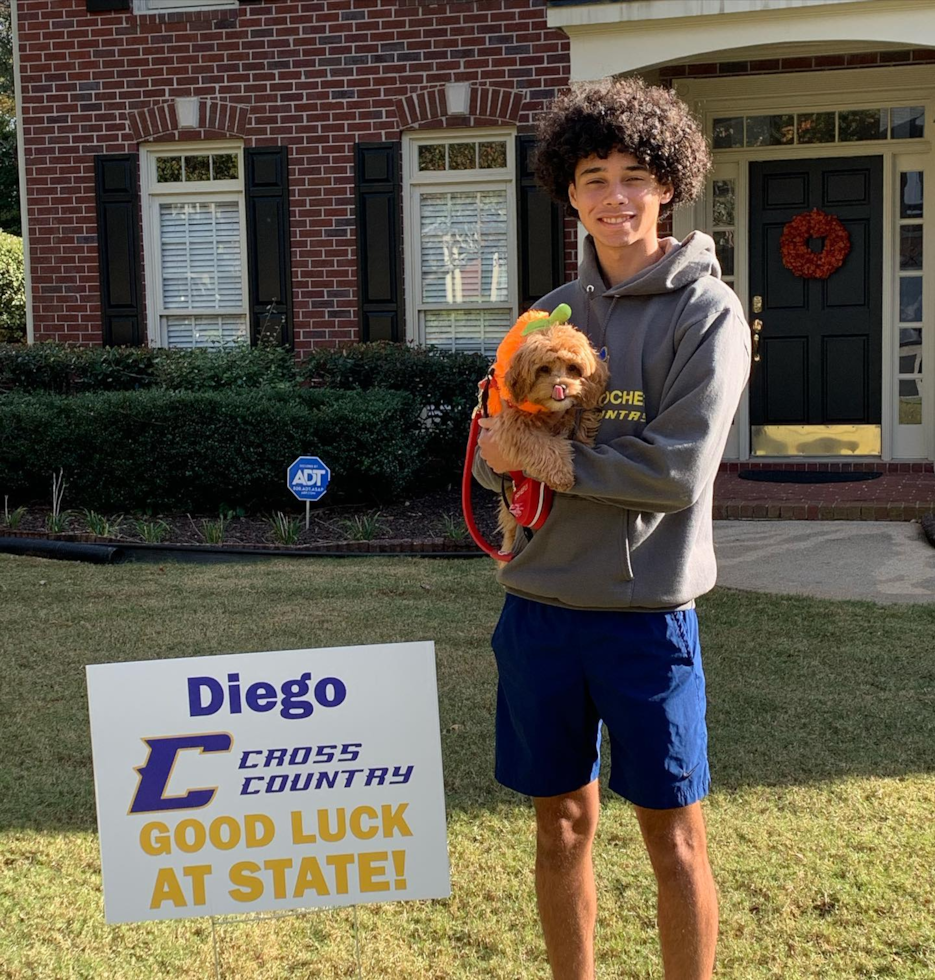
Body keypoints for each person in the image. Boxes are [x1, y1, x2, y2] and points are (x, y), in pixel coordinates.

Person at [473, 77, 751, 980]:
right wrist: (493, 445)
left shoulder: (707, 313)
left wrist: (544, 460)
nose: (614, 196)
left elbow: (674, 471)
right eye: (593, 176)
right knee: (558, 827)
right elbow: (492, 456)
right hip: (540, 612)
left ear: (668, 183)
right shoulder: (548, 314)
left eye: (634, 174)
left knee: (673, 842)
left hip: (643, 619)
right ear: (569, 191)